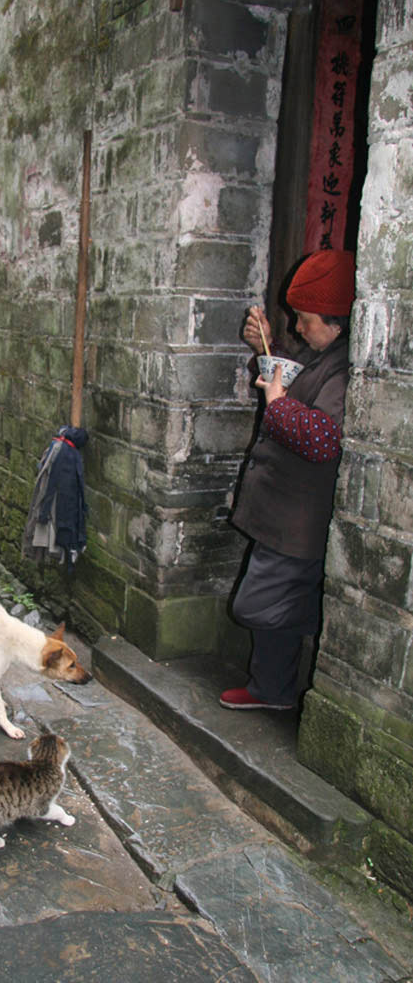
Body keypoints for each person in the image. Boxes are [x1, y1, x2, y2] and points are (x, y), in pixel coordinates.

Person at [221, 249, 355, 710]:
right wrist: (266, 350)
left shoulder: (344, 368)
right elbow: (292, 377)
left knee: (255, 606)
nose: (299, 327)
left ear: (337, 323)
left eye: (306, 319)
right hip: (279, 512)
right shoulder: (323, 355)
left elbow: (323, 439)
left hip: (299, 520)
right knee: (267, 610)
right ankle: (270, 691)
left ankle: (322, 625)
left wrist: (277, 403)